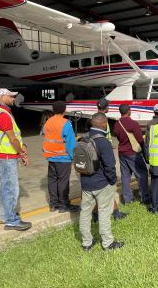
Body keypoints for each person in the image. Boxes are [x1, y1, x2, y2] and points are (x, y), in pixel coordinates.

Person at [79, 113, 124, 251]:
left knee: (85, 212)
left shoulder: (83, 139)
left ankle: (87, 243)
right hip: (101, 184)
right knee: (104, 212)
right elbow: (110, 166)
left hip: (85, 183)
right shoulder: (103, 142)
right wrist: (112, 181)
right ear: (104, 124)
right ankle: (107, 243)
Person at [0, 88, 31, 231]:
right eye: (10, 96)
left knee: (5, 187)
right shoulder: (3, 115)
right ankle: (12, 220)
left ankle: (6, 216)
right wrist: (22, 153)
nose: (12, 98)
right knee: (11, 189)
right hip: (7, 157)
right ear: (1, 97)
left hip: (2, 156)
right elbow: (12, 138)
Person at [42, 101, 79, 213]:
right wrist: (73, 156)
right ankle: (64, 205)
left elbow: (46, 136)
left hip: (50, 156)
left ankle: (53, 204)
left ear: (53, 110)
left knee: (52, 180)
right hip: (63, 157)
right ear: (64, 110)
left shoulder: (48, 122)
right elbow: (70, 142)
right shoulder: (66, 123)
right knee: (63, 181)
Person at [114, 104, 150, 205]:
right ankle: (144, 197)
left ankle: (127, 199)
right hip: (133, 153)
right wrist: (143, 150)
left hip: (122, 152)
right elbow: (140, 139)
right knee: (141, 174)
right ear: (129, 111)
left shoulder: (117, 124)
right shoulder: (133, 123)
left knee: (125, 176)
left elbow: (117, 136)